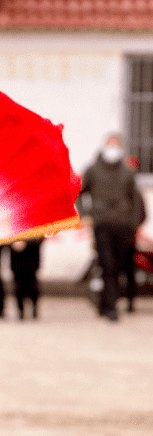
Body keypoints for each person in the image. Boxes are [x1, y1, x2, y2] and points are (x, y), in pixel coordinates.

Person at [80, 133, 147, 321]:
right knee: (107, 265)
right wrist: (86, 215)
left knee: (117, 267)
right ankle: (110, 307)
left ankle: (105, 303)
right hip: (102, 225)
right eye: (110, 145)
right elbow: (78, 192)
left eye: (116, 145)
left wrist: (132, 224)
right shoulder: (93, 170)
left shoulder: (127, 172)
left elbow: (135, 201)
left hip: (123, 226)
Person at [9, 238, 43, 320]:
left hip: (31, 253)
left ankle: (34, 308)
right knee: (19, 285)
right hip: (17, 255)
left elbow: (40, 235)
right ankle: (20, 309)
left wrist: (27, 243)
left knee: (32, 284)